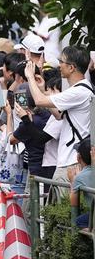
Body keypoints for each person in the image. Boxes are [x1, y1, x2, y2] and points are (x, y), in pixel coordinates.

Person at [26, 47, 93, 184]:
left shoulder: (79, 92)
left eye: (61, 61)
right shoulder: (81, 89)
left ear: (71, 67)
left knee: (62, 204)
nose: (59, 65)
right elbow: (58, 115)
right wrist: (42, 90)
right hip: (69, 160)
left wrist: (30, 77)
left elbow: (39, 101)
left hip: (71, 162)